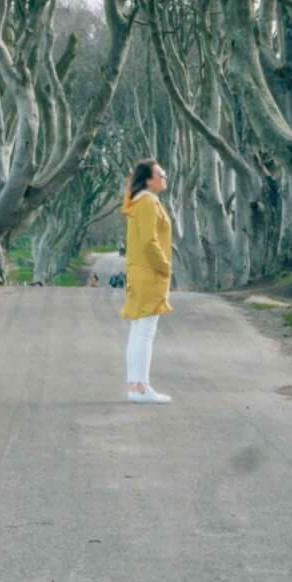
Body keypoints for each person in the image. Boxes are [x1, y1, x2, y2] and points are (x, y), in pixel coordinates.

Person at [120, 159, 173, 403]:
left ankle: (136, 386)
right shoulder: (148, 203)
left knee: (139, 331)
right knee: (145, 333)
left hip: (140, 272)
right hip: (149, 273)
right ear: (149, 179)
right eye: (161, 174)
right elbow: (149, 241)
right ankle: (141, 388)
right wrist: (164, 266)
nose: (165, 177)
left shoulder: (140, 201)